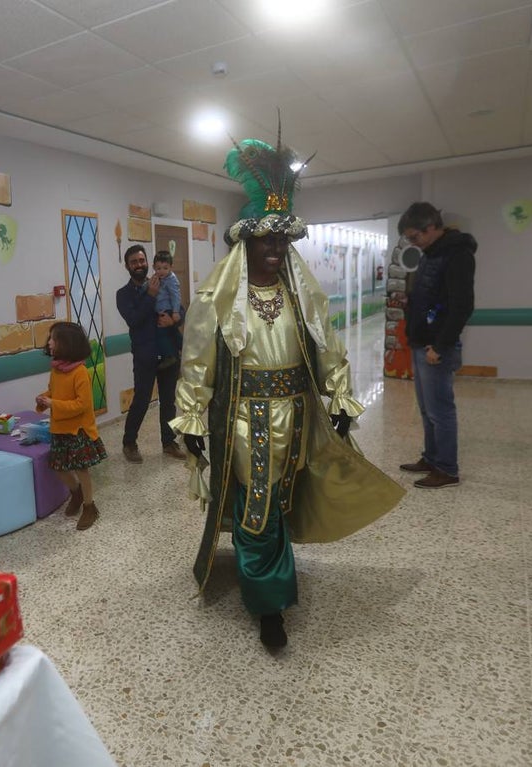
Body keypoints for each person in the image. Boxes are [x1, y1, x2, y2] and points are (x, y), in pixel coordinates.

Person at [171, 138, 404, 649]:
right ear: (245, 245)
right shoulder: (219, 299)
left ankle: (267, 574)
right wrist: (190, 419)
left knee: (278, 501)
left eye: (282, 243)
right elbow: (196, 361)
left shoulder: (302, 296)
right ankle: (269, 602)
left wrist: (339, 399)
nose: (276, 251)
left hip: (297, 417)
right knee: (257, 505)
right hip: (242, 418)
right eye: (265, 243)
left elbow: (327, 346)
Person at [396, 202, 476, 490]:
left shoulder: (457, 255)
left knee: (440, 410)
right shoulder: (430, 254)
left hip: (435, 347)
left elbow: (461, 306)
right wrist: (412, 303)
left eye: (415, 237)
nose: (413, 243)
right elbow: (432, 294)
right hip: (421, 342)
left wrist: (440, 346)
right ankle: (431, 458)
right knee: (426, 409)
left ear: (431, 228)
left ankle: (447, 469)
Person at [115, 244, 187, 463]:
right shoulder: (123, 294)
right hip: (145, 356)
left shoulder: (164, 280)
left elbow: (179, 310)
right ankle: (129, 442)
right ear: (127, 266)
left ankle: (168, 443)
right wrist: (151, 296)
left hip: (169, 354)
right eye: (134, 262)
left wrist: (174, 319)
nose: (139, 265)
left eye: (142, 260)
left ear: (148, 262)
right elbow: (134, 320)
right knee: (141, 401)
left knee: (168, 401)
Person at [35, 322, 106, 530]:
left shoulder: (80, 372)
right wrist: (44, 398)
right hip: (59, 427)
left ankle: (89, 506)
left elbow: (81, 405)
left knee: (81, 469)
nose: (49, 342)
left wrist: (53, 403)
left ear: (66, 344)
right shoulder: (56, 369)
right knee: (58, 467)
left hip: (78, 430)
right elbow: (53, 392)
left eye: (53, 339)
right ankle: (76, 493)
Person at [152, 250, 183, 370]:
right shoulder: (158, 278)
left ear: (171, 267)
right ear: (154, 267)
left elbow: (176, 296)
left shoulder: (171, 280)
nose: (161, 271)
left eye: (165, 268)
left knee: (162, 333)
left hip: (168, 310)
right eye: (158, 268)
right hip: (161, 309)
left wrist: (175, 311)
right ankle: (183, 347)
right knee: (172, 332)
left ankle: (169, 356)